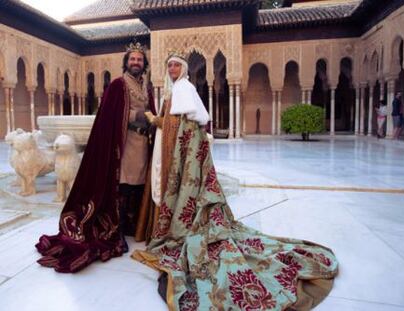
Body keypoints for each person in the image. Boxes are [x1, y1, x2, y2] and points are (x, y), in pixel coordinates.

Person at [132, 52, 338, 310]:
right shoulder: (177, 89)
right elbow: (182, 124)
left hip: (179, 152)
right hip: (174, 151)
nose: (172, 68)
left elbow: (179, 126)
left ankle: (177, 227)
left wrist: (154, 119)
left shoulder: (184, 88)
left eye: (176, 65)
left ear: (183, 69)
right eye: (169, 65)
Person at [35, 42, 156, 273]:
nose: (136, 63)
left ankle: (132, 225)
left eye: (140, 60)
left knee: (138, 186)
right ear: (126, 62)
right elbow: (113, 113)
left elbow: (151, 111)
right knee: (123, 186)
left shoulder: (146, 87)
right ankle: (115, 229)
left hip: (142, 145)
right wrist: (140, 114)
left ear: (144, 64)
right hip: (123, 144)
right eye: (132, 59)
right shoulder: (118, 85)